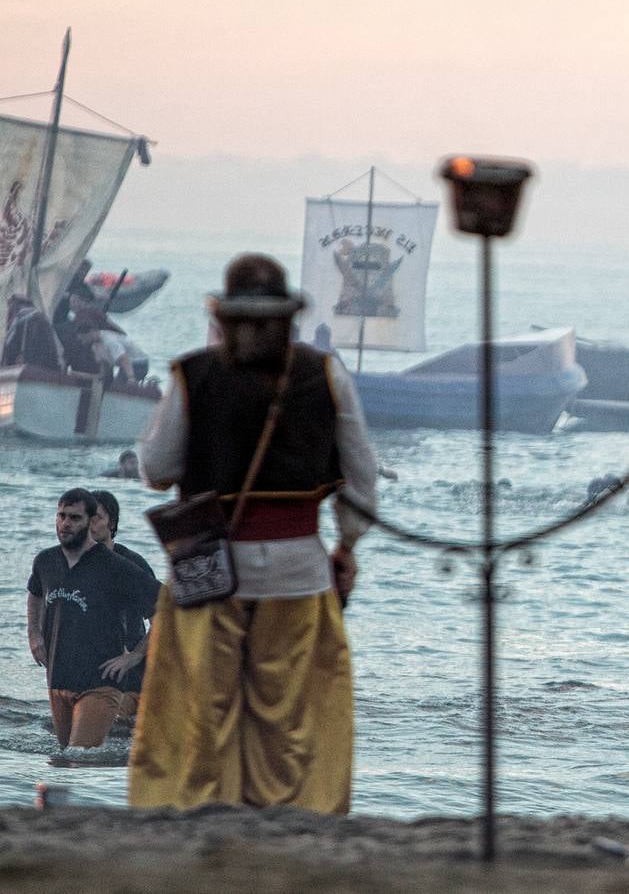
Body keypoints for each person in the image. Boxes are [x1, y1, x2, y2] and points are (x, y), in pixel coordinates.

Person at [128, 253, 378, 814]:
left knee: (202, 702)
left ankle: (200, 808)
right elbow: (362, 473)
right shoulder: (326, 372)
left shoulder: (192, 374)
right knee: (287, 707)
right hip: (297, 564)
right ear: (288, 318)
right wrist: (348, 545)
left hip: (207, 564)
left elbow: (157, 470)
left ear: (225, 318)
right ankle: (292, 810)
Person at [25, 489, 158, 748]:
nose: (66, 523)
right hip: (59, 677)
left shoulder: (119, 566)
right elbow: (35, 592)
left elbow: (164, 607)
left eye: (75, 518)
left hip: (106, 679)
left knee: (79, 756)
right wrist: (33, 634)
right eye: (61, 516)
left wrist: (135, 655)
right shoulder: (46, 560)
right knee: (61, 760)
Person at [89, 489, 158, 715]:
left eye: (96, 517)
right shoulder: (70, 564)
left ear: (112, 523)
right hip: (88, 674)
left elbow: (163, 616)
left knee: (116, 737)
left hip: (129, 676)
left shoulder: (131, 564)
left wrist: (136, 655)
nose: (89, 524)